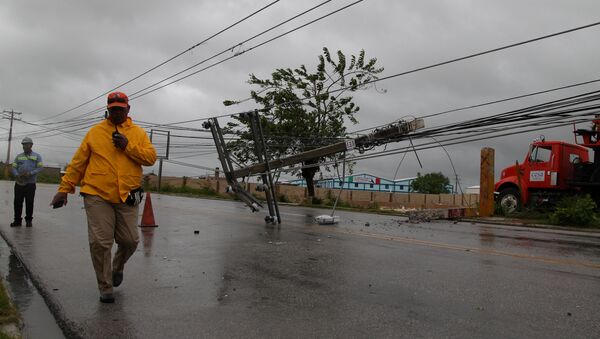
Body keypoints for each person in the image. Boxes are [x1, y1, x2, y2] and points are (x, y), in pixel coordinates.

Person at [50, 92, 157, 303]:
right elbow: (78, 164)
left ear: (128, 109)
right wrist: (64, 189)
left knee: (130, 241)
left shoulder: (138, 133)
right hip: (97, 193)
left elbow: (150, 158)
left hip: (127, 194)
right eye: (113, 108)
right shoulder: (94, 133)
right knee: (100, 242)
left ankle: (117, 268)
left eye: (121, 108)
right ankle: (105, 286)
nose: (117, 111)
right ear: (108, 109)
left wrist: (128, 146)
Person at [10, 137, 43, 227]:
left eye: (26, 144)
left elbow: (40, 167)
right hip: (19, 183)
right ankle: (17, 221)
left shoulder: (37, 156)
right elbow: (13, 167)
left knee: (29, 202)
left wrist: (30, 173)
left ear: (31, 145)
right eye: (23, 144)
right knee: (17, 202)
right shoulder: (19, 156)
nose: (24, 146)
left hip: (30, 184)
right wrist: (17, 175)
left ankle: (29, 221)